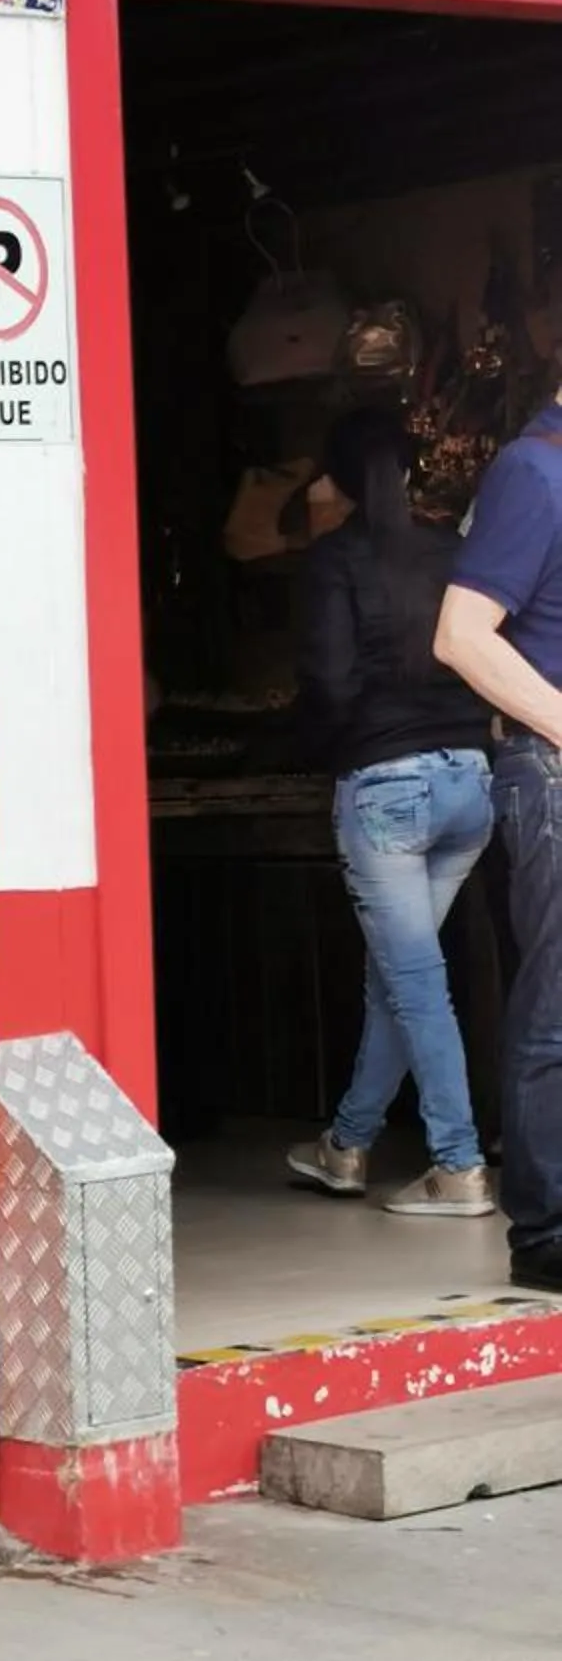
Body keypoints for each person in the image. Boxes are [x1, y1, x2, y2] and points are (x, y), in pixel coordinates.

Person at [287, 408, 494, 1217]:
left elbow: (330, 681)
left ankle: (458, 1165)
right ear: (410, 471)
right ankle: (347, 1145)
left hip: (387, 792)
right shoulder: (453, 552)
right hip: (470, 784)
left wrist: (320, 747)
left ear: (335, 482)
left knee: (414, 983)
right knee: (397, 978)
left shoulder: (332, 561)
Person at [436, 387, 562, 1286]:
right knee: (556, 1008)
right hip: (551, 770)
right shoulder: (533, 471)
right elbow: (460, 636)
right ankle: (547, 1232)